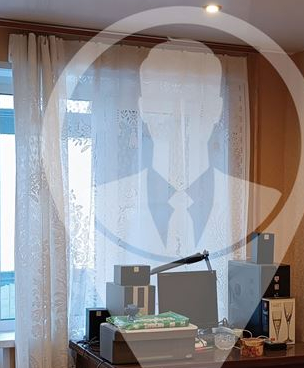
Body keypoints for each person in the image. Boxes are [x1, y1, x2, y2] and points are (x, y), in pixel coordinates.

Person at [98, 41, 280, 263]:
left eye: (194, 107)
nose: (179, 119)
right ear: (143, 108)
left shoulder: (236, 198)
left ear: (217, 109)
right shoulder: (113, 203)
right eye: (163, 106)